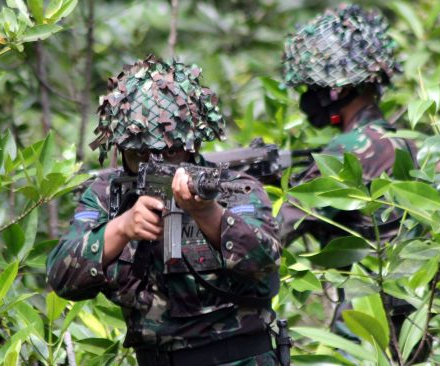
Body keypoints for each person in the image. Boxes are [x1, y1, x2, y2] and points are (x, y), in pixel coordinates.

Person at [46, 56, 281, 366]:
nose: (156, 164)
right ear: (121, 149)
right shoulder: (107, 197)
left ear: (192, 143)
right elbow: (62, 279)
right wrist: (121, 228)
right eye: (141, 152)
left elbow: (264, 262)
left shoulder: (234, 188)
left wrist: (207, 212)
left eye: (170, 150)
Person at [278, 4, 414, 246]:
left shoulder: (348, 151)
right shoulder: (407, 142)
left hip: (370, 282)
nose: (309, 96)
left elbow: (276, 232)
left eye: (313, 87)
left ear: (340, 89)